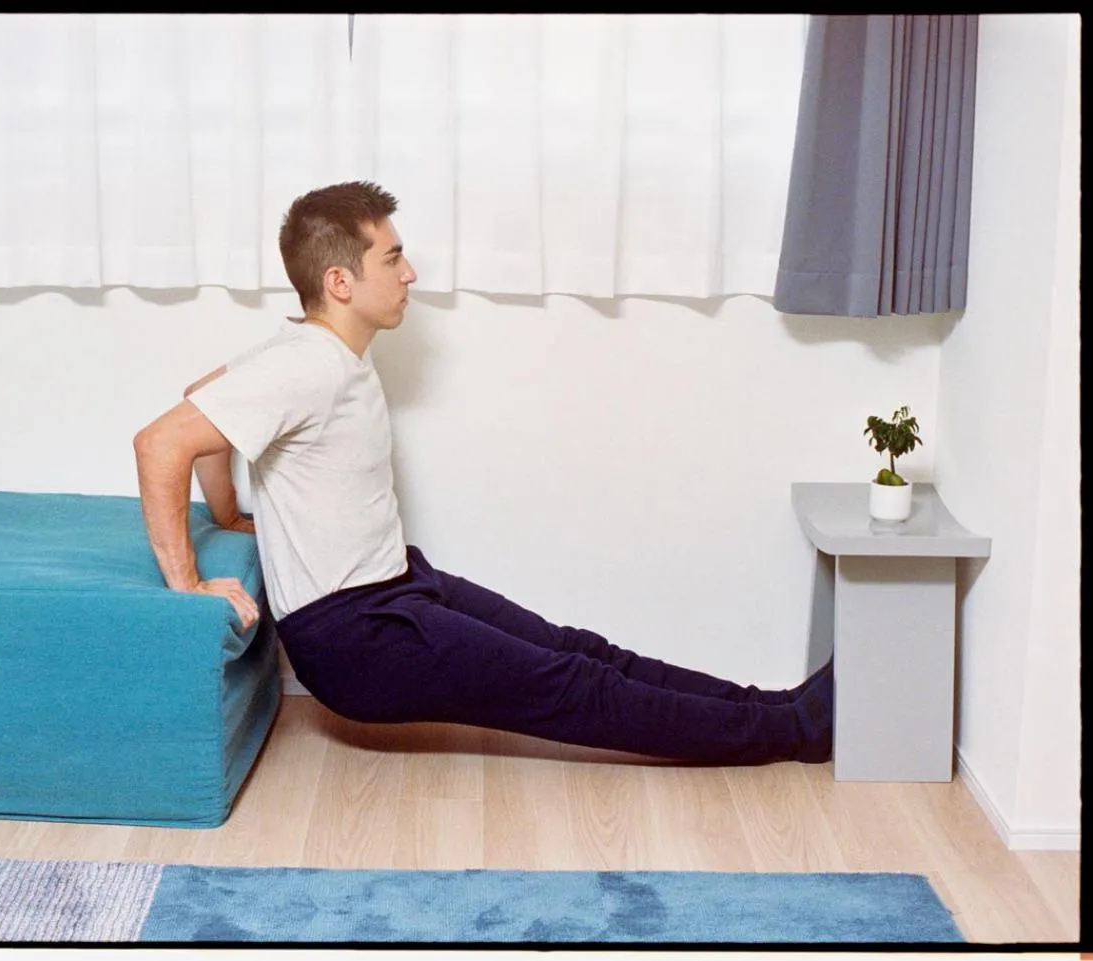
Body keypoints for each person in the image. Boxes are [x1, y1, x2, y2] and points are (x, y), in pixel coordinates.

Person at [133, 181, 833, 766]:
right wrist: (189, 580)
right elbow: (161, 441)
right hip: (355, 639)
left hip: (396, 584)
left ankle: (775, 706)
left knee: (577, 651)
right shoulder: (306, 364)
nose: (409, 274)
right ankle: (798, 731)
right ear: (339, 280)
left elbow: (202, 395)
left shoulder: (305, 350)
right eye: (393, 257)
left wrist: (228, 514)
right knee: (573, 684)